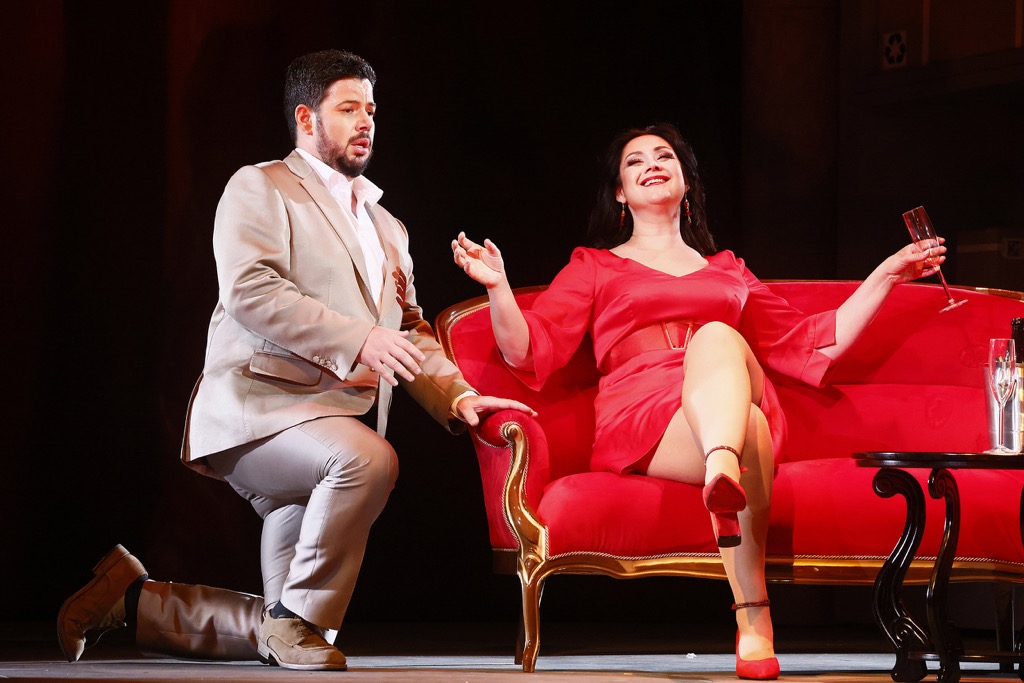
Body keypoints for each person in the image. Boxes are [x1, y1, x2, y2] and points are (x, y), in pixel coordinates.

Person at [58, 49, 533, 672]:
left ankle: (129, 599)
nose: (365, 122)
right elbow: (251, 290)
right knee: (367, 462)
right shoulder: (260, 185)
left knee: (293, 629)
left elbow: (410, 328)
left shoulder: (388, 226)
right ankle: (293, 618)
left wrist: (459, 395)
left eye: (371, 110)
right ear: (307, 118)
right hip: (260, 409)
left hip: (329, 423)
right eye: (348, 109)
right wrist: (360, 338)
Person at [452, 122, 942, 680]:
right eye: (635, 161)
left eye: (664, 156)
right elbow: (527, 349)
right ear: (619, 193)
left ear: (686, 182)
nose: (652, 165)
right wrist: (498, 286)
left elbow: (813, 343)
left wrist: (887, 274)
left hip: (722, 394)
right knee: (750, 428)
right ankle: (753, 618)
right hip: (646, 416)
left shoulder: (729, 269)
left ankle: (721, 468)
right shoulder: (594, 265)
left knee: (716, 338)